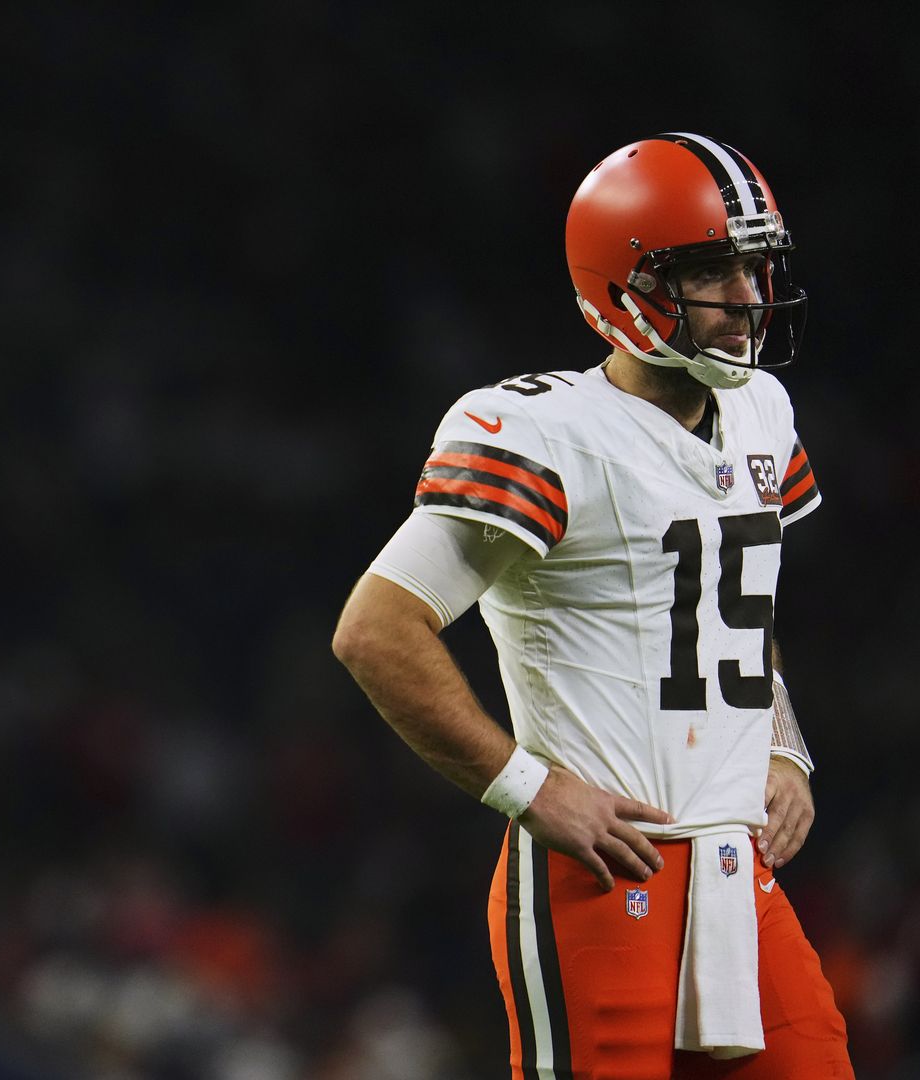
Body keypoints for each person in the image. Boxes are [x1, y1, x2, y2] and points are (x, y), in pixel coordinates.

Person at [332, 133, 853, 1078]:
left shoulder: (764, 411)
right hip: (607, 872)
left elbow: (728, 607)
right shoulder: (545, 432)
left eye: (754, 265)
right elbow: (374, 629)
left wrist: (781, 742)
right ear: (628, 287)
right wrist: (528, 788)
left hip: (737, 871)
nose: (746, 296)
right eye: (711, 270)